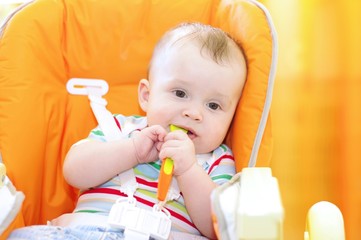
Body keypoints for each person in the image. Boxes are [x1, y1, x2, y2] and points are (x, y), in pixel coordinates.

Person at [8, 22, 247, 240]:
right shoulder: (120, 128)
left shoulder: (219, 160)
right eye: (180, 93)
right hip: (86, 232)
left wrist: (188, 170)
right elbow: (73, 172)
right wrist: (132, 150)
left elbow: (216, 227)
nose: (194, 113)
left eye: (213, 105)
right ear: (146, 95)